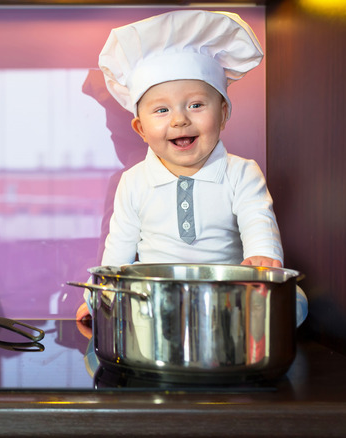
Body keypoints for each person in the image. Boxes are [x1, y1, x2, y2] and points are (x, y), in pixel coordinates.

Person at [77, 10, 307, 325]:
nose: (180, 119)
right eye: (161, 109)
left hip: (227, 297)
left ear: (224, 113)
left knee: (295, 300)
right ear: (141, 129)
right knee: (123, 302)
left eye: (196, 105)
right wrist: (99, 295)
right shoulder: (133, 182)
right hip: (156, 300)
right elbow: (118, 250)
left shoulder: (241, 172)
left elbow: (258, 221)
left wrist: (263, 259)